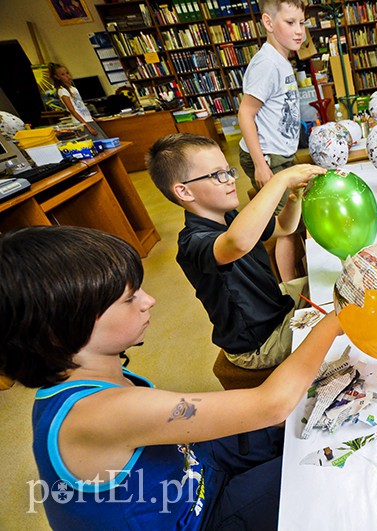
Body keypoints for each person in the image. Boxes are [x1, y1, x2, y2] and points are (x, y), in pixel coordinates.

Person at [0, 225, 341, 530]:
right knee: (323, 469)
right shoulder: (98, 413)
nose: (149, 300)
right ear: (58, 333)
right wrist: (335, 319)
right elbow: (271, 404)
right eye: (129, 298)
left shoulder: (90, 373)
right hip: (199, 518)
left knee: (303, 425)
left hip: (193, 468)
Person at [147, 133, 324, 372]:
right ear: (185, 192)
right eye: (218, 175)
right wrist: (279, 180)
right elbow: (238, 243)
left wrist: (294, 198)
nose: (230, 180)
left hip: (275, 304)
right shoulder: (193, 243)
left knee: (331, 280)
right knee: (336, 321)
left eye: (229, 171)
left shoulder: (229, 216)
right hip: (259, 343)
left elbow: (284, 227)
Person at [238, 0, 307, 281]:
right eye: (290, 23)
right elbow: (245, 114)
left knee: (297, 215)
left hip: (282, 153)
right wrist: (260, 164)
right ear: (268, 23)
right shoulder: (267, 64)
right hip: (267, 156)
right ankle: (292, 290)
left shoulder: (282, 59)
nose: (299, 30)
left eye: (302, 23)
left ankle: (299, 274)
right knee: (286, 225)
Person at [48, 62, 107, 141]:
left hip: (88, 120)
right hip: (81, 123)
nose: (67, 76)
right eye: (63, 74)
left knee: (105, 139)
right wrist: (87, 126)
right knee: (99, 141)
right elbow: (72, 110)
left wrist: (92, 118)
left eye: (67, 73)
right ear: (57, 77)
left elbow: (81, 106)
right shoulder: (62, 90)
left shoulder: (73, 88)